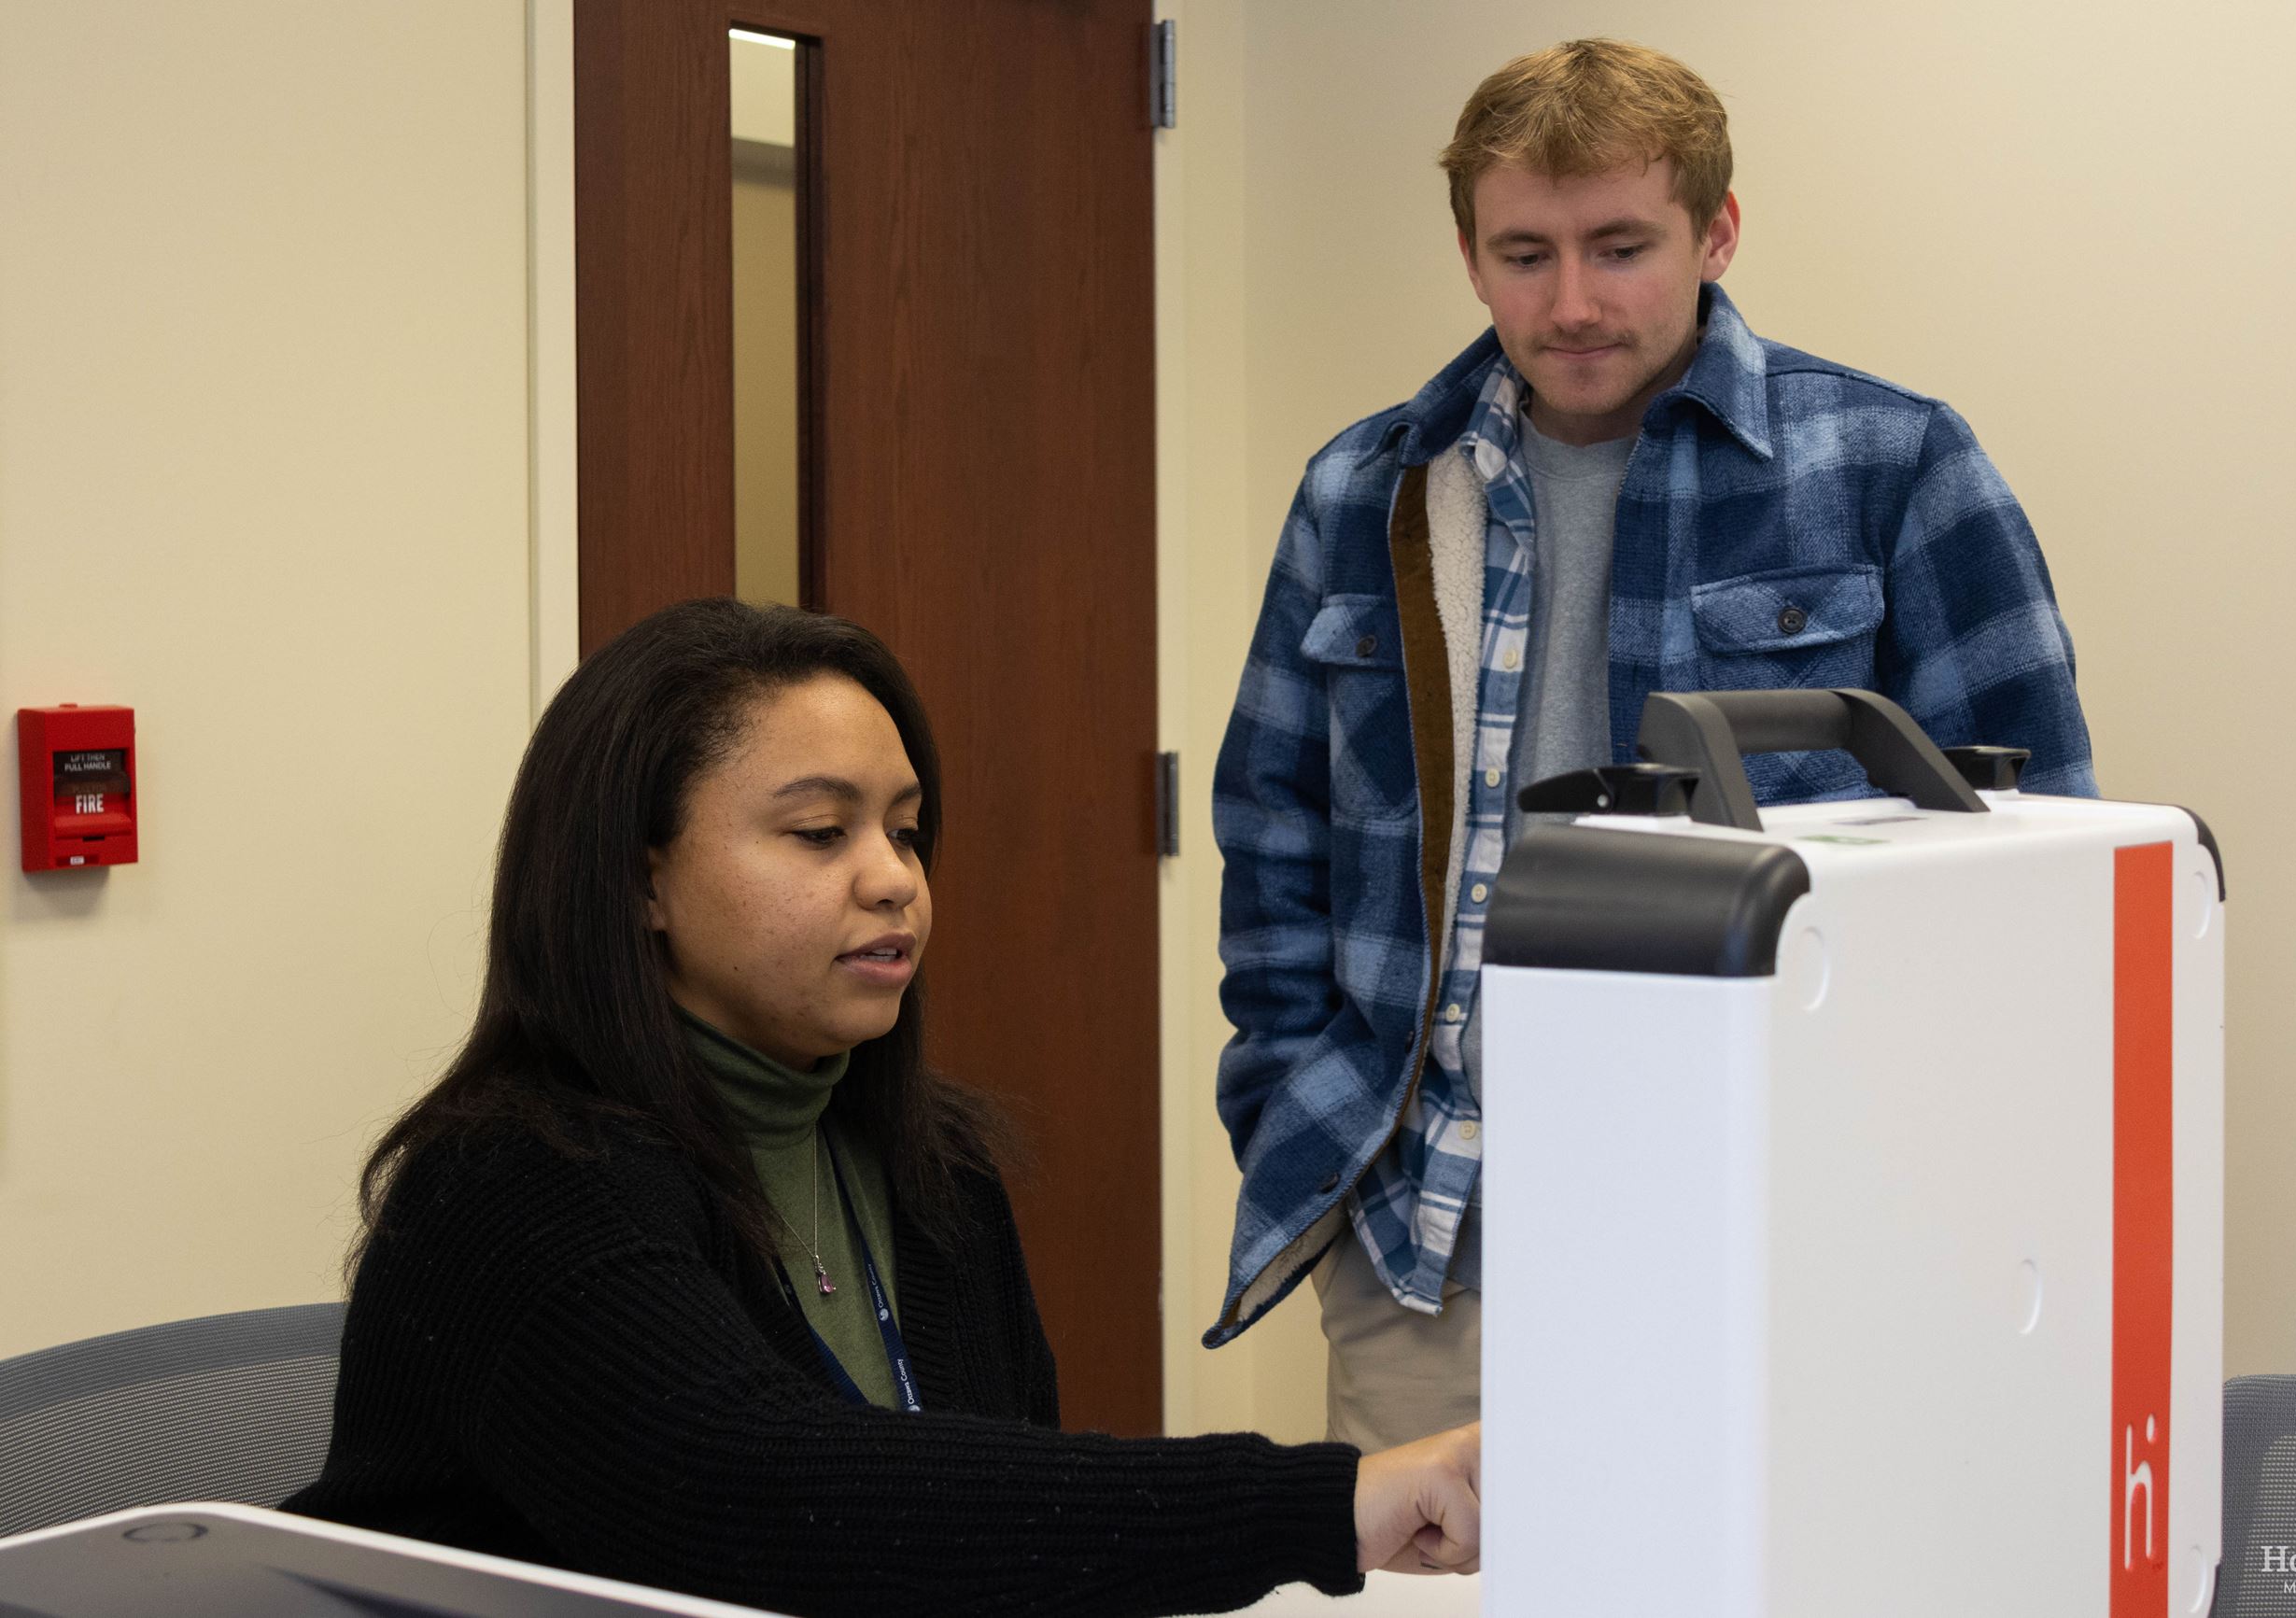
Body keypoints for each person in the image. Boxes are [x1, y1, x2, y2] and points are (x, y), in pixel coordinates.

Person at [1207, 38, 2098, 1452]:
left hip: (1793, 1227)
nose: (1570, 303)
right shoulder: (1364, 490)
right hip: (1437, 1235)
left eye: (1621, 246)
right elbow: (1273, 827)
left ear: (1717, 231)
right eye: (1525, 253)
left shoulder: (1893, 468)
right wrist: (1290, 1102)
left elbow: (2039, 861)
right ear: (1469, 253)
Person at [285, 598, 1481, 1616]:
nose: (892, 876)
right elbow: (755, 1497)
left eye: (905, 830)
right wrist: (1326, 1500)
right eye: (818, 832)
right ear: (638, 877)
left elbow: (1000, 1519)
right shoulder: (506, 1179)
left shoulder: (932, 1165)